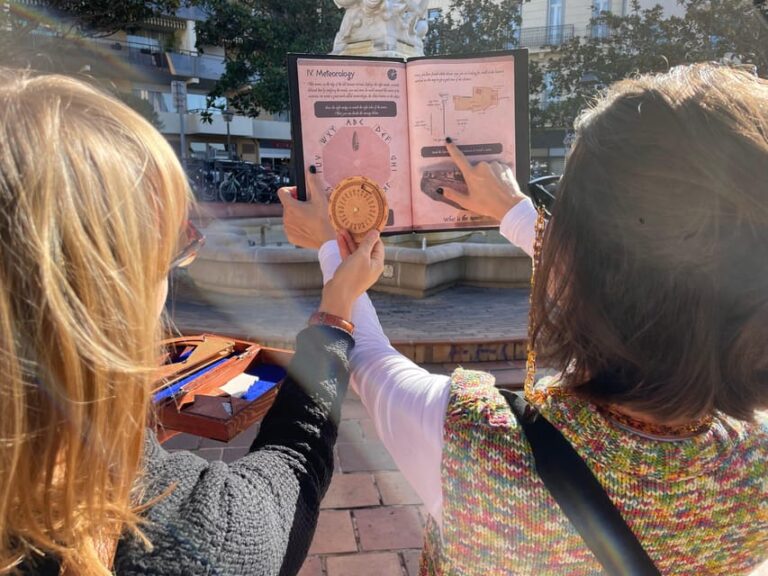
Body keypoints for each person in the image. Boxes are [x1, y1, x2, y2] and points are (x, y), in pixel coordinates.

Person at [280, 63, 768, 575]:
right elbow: (663, 288)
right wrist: (513, 211)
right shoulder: (753, 462)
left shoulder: (478, 440)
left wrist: (329, 249)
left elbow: (370, 360)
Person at [0, 69, 384, 576]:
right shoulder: (169, 534)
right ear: (105, 302)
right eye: (166, 255)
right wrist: (337, 305)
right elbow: (291, 469)